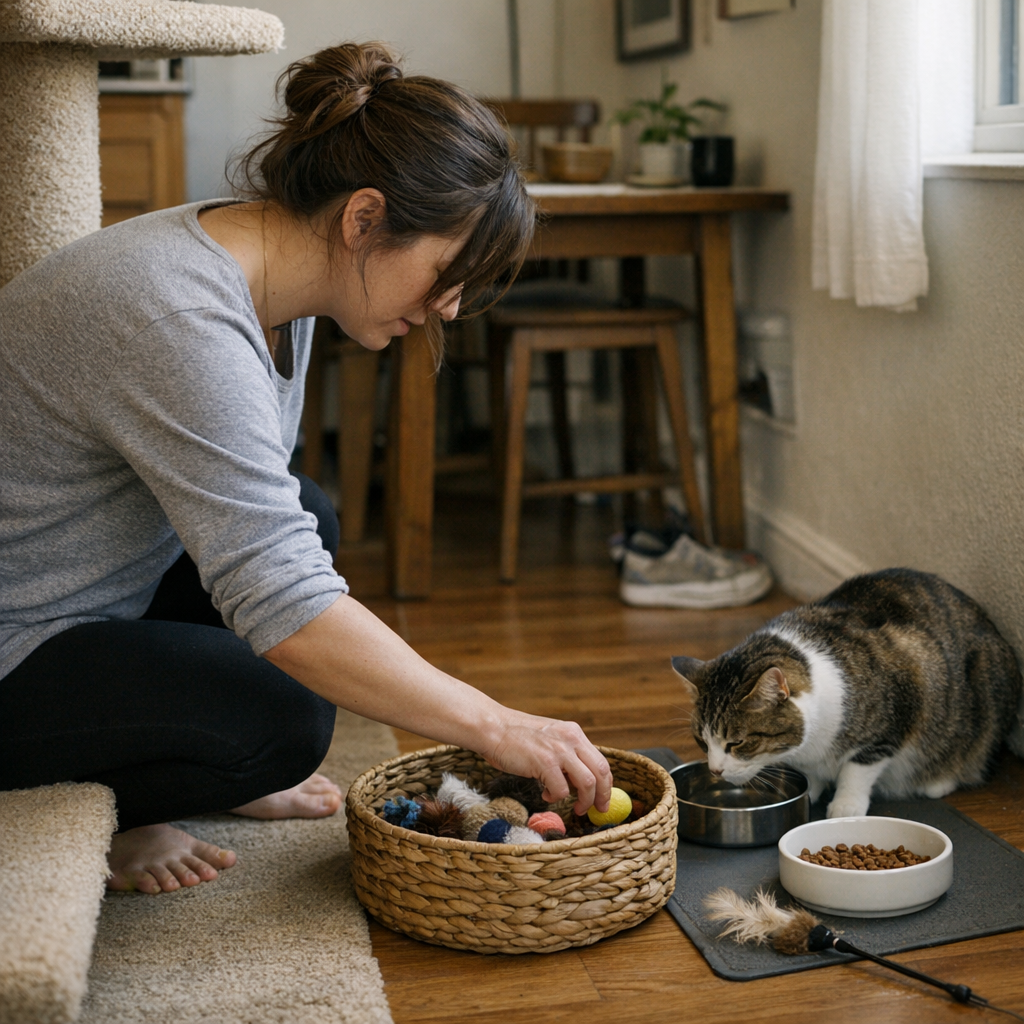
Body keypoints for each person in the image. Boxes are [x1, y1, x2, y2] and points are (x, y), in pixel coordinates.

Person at [0, 42, 611, 895]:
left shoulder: (280, 271)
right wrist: (496, 724)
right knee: (281, 718)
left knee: (307, 511)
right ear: (363, 218)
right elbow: (280, 597)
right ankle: (131, 801)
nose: (450, 307)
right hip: (14, 643)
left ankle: (169, 758)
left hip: (84, 592)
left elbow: (264, 532)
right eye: (445, 273)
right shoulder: (180, 315)